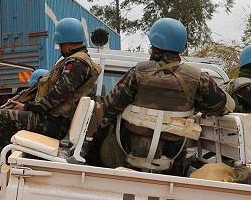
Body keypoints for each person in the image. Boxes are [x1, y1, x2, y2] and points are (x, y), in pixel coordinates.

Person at [99, 18, 231, 175]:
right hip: (173, 162)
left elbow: (108, 108)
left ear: (155, 45)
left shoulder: (138, 73)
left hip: (128, 156)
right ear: (181, 47)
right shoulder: (198, 78)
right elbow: (221, 107)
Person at [0, 18, 100, 170]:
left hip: (54, 123)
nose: (60, 48)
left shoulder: (76, 63)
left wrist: (28, 106)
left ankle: (8, 165)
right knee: (5, 113)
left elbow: (57, 95)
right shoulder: (76, 60)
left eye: (60, 44)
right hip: (54, 120)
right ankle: (17, 162)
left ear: (68, 42)